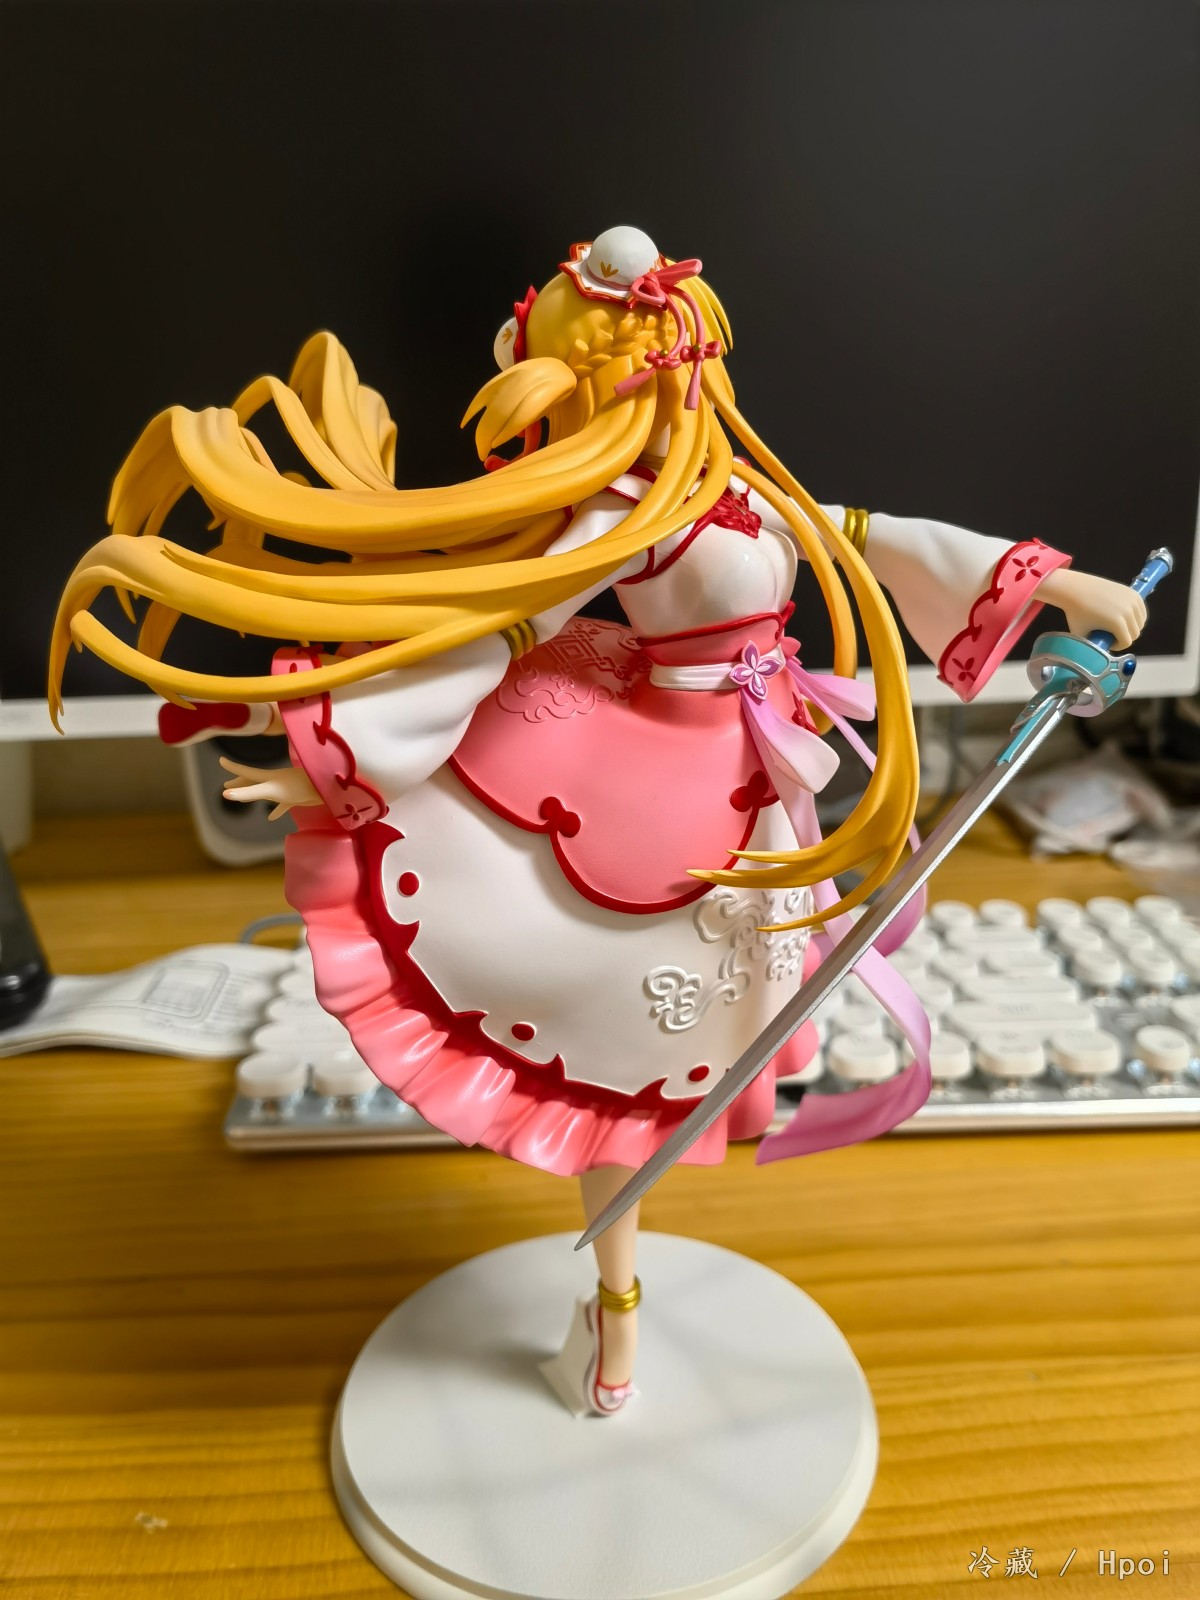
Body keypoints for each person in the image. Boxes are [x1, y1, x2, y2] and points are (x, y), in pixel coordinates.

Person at [51, 226, 1146, 1415]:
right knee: (617, 1092)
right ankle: (617, 1314)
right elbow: (504, 624)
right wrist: (342, 751)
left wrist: (1057, 586)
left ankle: (614, 1313)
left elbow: (877, 538)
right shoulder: (626, 513)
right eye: (661, 367)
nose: (690, 385)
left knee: (672, 1064)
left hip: (746, 783)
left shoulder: (740, 494)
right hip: (647, 789)